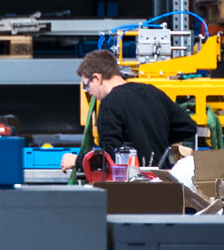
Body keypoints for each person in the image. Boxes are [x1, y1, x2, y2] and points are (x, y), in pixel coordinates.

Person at [66, 49, 198, 170]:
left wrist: (78, 161)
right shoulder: (152, 92)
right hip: (165, 181)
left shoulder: (109, 105)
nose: (89, 92)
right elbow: (188, 127)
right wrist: (158, 139)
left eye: (87, 85)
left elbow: (111, 158)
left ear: (97, 78)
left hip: (134, 186)